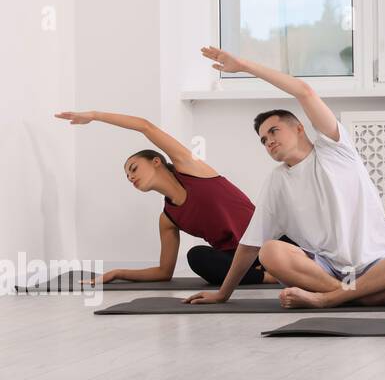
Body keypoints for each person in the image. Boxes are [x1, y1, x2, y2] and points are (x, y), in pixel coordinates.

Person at [181, 47, 385, 308]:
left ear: (299, 128)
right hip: (326, 271)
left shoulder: (336, 148)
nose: (269, 141)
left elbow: (303, 91)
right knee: (270, 252)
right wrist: (223, 293)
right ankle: (358, 295)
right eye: (263, 140)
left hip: (377, 267)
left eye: (274, 131)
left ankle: (330, 298)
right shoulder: (277, 181)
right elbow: (250, 245)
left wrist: (243, 66)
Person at [53, 110, 274, 286]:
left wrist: (94, 116)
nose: (130, 177)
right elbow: (163, 272)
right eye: (127, 175)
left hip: (268, 244)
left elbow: (144, 126)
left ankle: (275, 267)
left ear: (156, 161)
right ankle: (267, 277)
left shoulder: (191, 169)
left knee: (283, 238)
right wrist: (118, 272)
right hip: (238, 260)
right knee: (197, 256)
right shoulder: (168, 219)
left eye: (134, 168)